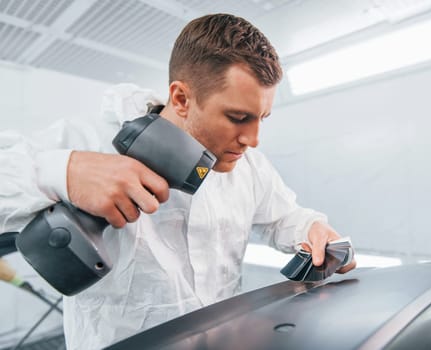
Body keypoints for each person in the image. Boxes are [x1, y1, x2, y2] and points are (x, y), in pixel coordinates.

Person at [0, 13, 356, 349]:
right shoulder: (88, 139)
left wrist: (310, 228)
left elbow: (284, 217)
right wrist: (66, 172)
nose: (253, 138)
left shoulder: (250, 167)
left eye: (262, 117)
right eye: (237, 117)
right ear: (181, 98)